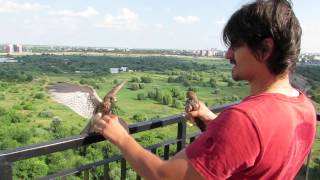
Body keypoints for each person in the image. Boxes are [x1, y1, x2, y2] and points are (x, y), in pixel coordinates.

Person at [94, 0, 317, 179]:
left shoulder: (245, 120)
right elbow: (255, 153)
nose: (229, 55)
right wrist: (214, 122)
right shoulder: (304, 106)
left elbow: (165, 176)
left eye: (235, 46)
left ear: (265, 49)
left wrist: (121, 138)